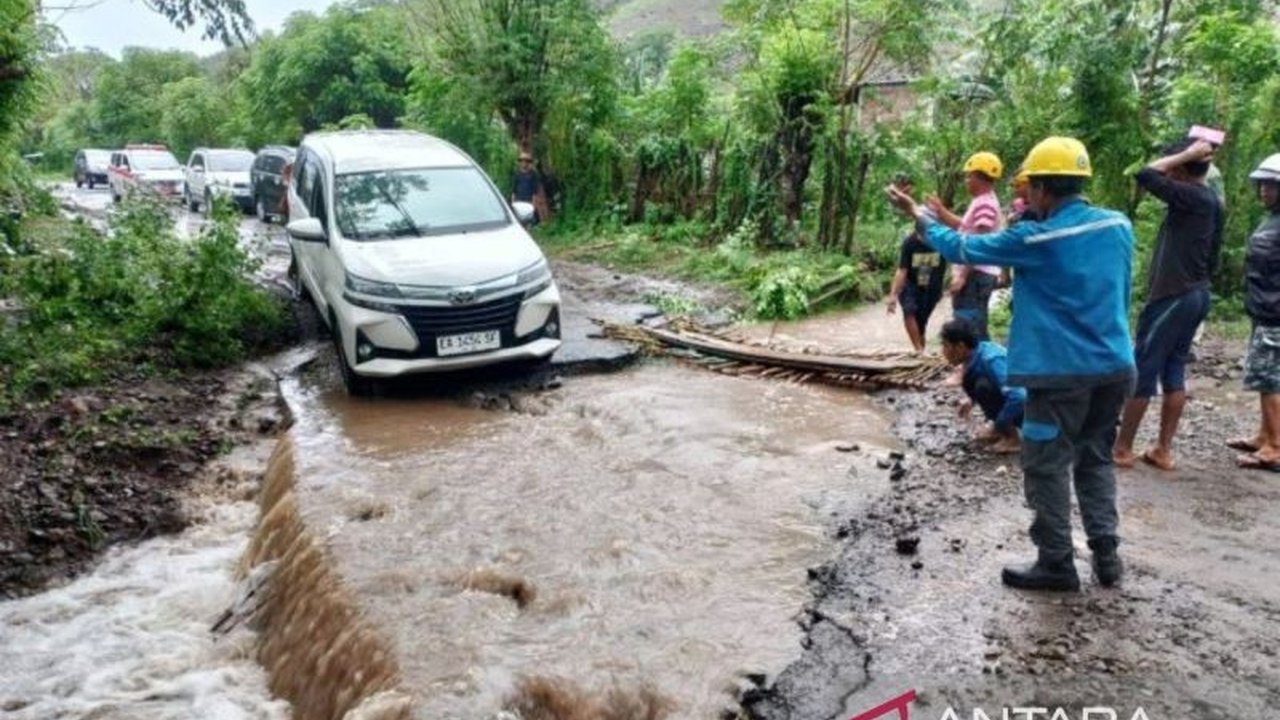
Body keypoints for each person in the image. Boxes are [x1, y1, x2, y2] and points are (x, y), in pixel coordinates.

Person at [886, 136, 1136, 592]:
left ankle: (1057, 563)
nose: (1024, 198)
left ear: (1041, 190)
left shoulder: (1036, 237)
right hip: (1116, 366)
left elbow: (961, 248)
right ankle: (1107, 556)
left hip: (1059, 372)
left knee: (1046, 464)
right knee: (1095, 459)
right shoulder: (1118, 225)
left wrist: (917, 216)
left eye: (1029, 190)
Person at [1112, 139, 1223, 472]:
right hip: (1196, 294)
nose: (1168, 170)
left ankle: (1122, 447)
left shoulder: (1192, 196)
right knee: (1173, 370)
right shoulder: (1211, 200)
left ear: (1182, 169)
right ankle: (1162, 449)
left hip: (1174, 297)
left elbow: (1145, 175)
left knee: (1144, 368)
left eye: (1174, 165)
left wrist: (1186, 155)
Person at [1232, 153, 1280, 470]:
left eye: (1271, 185)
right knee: (1264, 377)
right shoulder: (1271, 219)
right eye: (1262, 184)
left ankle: (1275, 446)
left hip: (1275, 314)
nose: (1264, 190)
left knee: (1270, 380)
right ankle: (1265, 435)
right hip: (1263, 309)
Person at [926, 152, 1006, 341]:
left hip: (975, 274)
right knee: (969, 323)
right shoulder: (982, 201)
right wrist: (941, 211)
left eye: (969, 176)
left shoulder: (985, 204)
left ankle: (981, 366)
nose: (966, 180)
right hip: (975, 273)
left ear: (980, 176)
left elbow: (978, 243)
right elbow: (964, 227)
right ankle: (975, 365)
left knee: (970, 326)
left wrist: (962, 276)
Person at [940, 319, 1025, 454]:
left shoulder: (991, 360)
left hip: (1036, 409)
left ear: (960, 347)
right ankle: (1002, 430)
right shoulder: (977, 353)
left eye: (946, 346)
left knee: (983, 387)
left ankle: (1012, 439)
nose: (943, 351)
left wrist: (999, 424)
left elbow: (1019, 396)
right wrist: (971, 400)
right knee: (979, 384)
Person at [886, 174, 947, 353]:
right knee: (909, 311)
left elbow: (957, 258)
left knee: (922, 322)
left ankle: (920, 348)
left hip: (932, 288)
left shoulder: (941, 240)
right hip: (912, 285)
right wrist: (892, 295)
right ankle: (919, 350)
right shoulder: (910, 243)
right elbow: (902, 270)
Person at [511, 151, 549, 224]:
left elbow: (535, 191)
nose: (524, 163)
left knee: (529, 221)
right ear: (520, 162)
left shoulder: (533, 174)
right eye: (522, 161)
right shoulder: (517, 174)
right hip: (519, 201)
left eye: (526, 161)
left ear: (528, 163)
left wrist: (533, 204)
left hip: (529, 201)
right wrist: (513, 202)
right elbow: (514, 190)